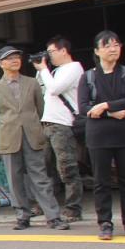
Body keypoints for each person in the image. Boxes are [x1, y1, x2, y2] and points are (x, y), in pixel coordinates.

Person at [0, 46, 69, 231]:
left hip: (32, 136)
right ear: (1, 63)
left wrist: (33, 126)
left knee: (41, 178)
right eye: (9, 58)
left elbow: (41, 109)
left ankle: (53, 217)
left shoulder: (32, 83)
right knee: (15, 180)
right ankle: (22, 216)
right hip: (8, 139)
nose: (15, 60)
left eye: (17, 57)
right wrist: (4, 130)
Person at [78, 30, 125, 240]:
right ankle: (105, 223)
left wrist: (104, 105)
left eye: (117, 45)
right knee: (101, 181)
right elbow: (84, 107)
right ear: (97, 51)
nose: (113, 49)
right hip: (99, 136)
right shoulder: (88, 77)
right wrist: (111, 112)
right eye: (107, 45)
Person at [35, 36, 84, 222]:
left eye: (51, 52)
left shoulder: (74, 68)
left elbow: (55, 89)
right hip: (46, 123)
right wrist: (42, 71)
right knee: (45, 169)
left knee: (67, 168)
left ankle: (73, 208)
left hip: (62, 125)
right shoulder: (54, 71)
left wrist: (44, 69)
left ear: (63, 51)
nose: (49, 56)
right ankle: (47, 205)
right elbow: (42, 89)